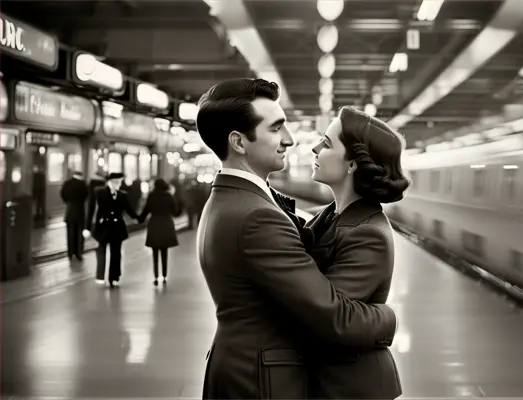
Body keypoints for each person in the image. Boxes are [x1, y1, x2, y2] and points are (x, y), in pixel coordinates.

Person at [195, 78, 397, 399]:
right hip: (259, 382)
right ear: (238, 142)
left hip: (243, 371)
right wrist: (386, 317)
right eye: (276, 128)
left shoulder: (233, 200)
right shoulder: (256, 216)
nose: (289, 140)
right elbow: (333, 316)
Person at [300, 105, 409, 399]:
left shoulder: (367, 234)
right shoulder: (331, 216)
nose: (314, 148)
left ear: (352, 165)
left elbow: (326, 316)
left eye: (326, 143)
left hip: (352, 387)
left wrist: (385, 319)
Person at [87, 172, 140, 288]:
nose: (119, 185)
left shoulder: (123, 195)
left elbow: (129, 209)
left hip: (117, 228)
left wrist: (137, 218)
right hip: (103, 227)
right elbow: (90, 210)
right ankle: (100, 276)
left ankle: (114, 277)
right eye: (117, 182)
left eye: (120, 182)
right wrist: (87, 227)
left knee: (116, 254)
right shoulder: (99, 193)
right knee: (101, 251)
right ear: (110, 182)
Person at [138, 178, 181, 286]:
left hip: (154, 224)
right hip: (166, 224)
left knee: (155, 252)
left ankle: (156, 276)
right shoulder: (168, 196)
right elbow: (175, 213)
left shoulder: (152, 196)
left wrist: (139, 219)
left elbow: (146, 211)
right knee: (164, 251)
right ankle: (165, 276)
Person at [60, 170, 89, 261]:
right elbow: (86, 195)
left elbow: (62, 194)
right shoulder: (82, 184)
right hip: (80, 211)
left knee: (70, 233)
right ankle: (78, 253)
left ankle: (70, 253)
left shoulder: (67, 183)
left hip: (70, 211)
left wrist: (68, 202)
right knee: (79, 233)